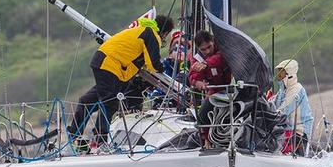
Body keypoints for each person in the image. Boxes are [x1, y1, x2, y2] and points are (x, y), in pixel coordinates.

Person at [68, 13, 174, 149]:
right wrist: (162, 70)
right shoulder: (151, 34)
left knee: (88, 100)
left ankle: (73, 137)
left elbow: (136, 59)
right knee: (109, 101)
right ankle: (100, 141)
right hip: (109, 64)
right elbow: (153, 64)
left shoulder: (139, 30)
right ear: (164, 32)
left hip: (104, 61)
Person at [188, 30, 232, 147]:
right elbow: (192, 76)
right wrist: (198, 83)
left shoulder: (223, 49)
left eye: (209, 47)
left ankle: (232, 138)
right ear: (198, 48)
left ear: (213, 42)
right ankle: (208, 140)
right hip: (214, 92)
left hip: (231, 89)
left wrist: (206, 65)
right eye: (203, 49)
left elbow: (219, 59)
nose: (207, 51)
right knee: (202, 114)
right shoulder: (197, 59)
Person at [272, 59, 313, 155]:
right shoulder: (283, 90)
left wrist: (269, 115)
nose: (278, 74)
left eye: (281, 71)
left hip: (299, 134)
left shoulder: (296, 89)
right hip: (285, 131)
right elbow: (272, 103)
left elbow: (284, 110)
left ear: (288, 73)